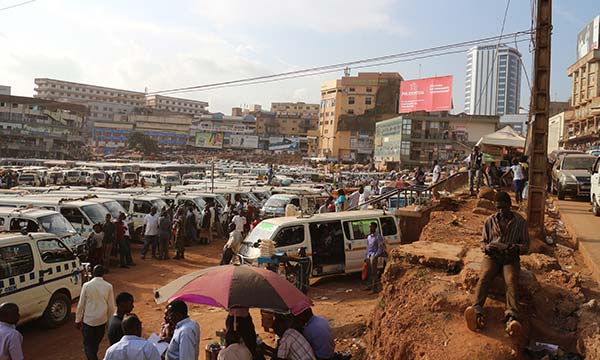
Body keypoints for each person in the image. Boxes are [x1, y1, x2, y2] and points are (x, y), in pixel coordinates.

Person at [464, 191, 530, 337]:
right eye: (498, 207)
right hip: (492, 257)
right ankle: (476, 311)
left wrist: (516, 248)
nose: (501, 211)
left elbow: (526, 245)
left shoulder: (520, 222)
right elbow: (483, 241)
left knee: (511, 279)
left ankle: (512, 317)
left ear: (510, 206)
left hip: (510, 258)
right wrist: (486, 248)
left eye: (504, 207)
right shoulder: (490, 220)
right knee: (485, 276)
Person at [75, 265, 115, 360]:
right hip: (101, 320)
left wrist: (78, 319)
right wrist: (109, 323)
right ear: (103, 274)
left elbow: (81, 304)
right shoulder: (108, 286)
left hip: (88, 320)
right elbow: (111, 306)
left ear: (93, 273)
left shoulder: (87, 286)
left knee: (88, 346)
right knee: (95, 344)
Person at [365, 222, 385, 293]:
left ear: (375, 227)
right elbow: (368, 247)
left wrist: (375, 255)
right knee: (369, 272)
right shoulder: (369, 237)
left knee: (374, 272)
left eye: (372, 227)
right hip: (368, 255)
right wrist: (366, 256)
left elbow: (381, 247)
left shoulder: (378, 236)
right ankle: (369, 286)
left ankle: (374, 288)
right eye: (370, 227)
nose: (370, 228)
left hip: (373, 255)